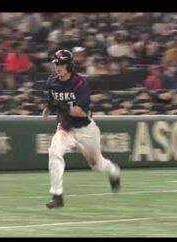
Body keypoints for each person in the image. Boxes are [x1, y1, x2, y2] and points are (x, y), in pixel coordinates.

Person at [42, 49, 121, 209]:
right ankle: (57, 196)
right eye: (56, 63)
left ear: (69, 65)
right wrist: (48, 108)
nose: (58, 67)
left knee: (97, 165)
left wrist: (60, 106)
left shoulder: (79, 82)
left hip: (85, 130)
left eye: (62, 63)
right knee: (54, 153)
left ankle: (114, 171)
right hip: (65, 128)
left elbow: (81, 111)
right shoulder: (52, 81)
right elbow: (52, 101)